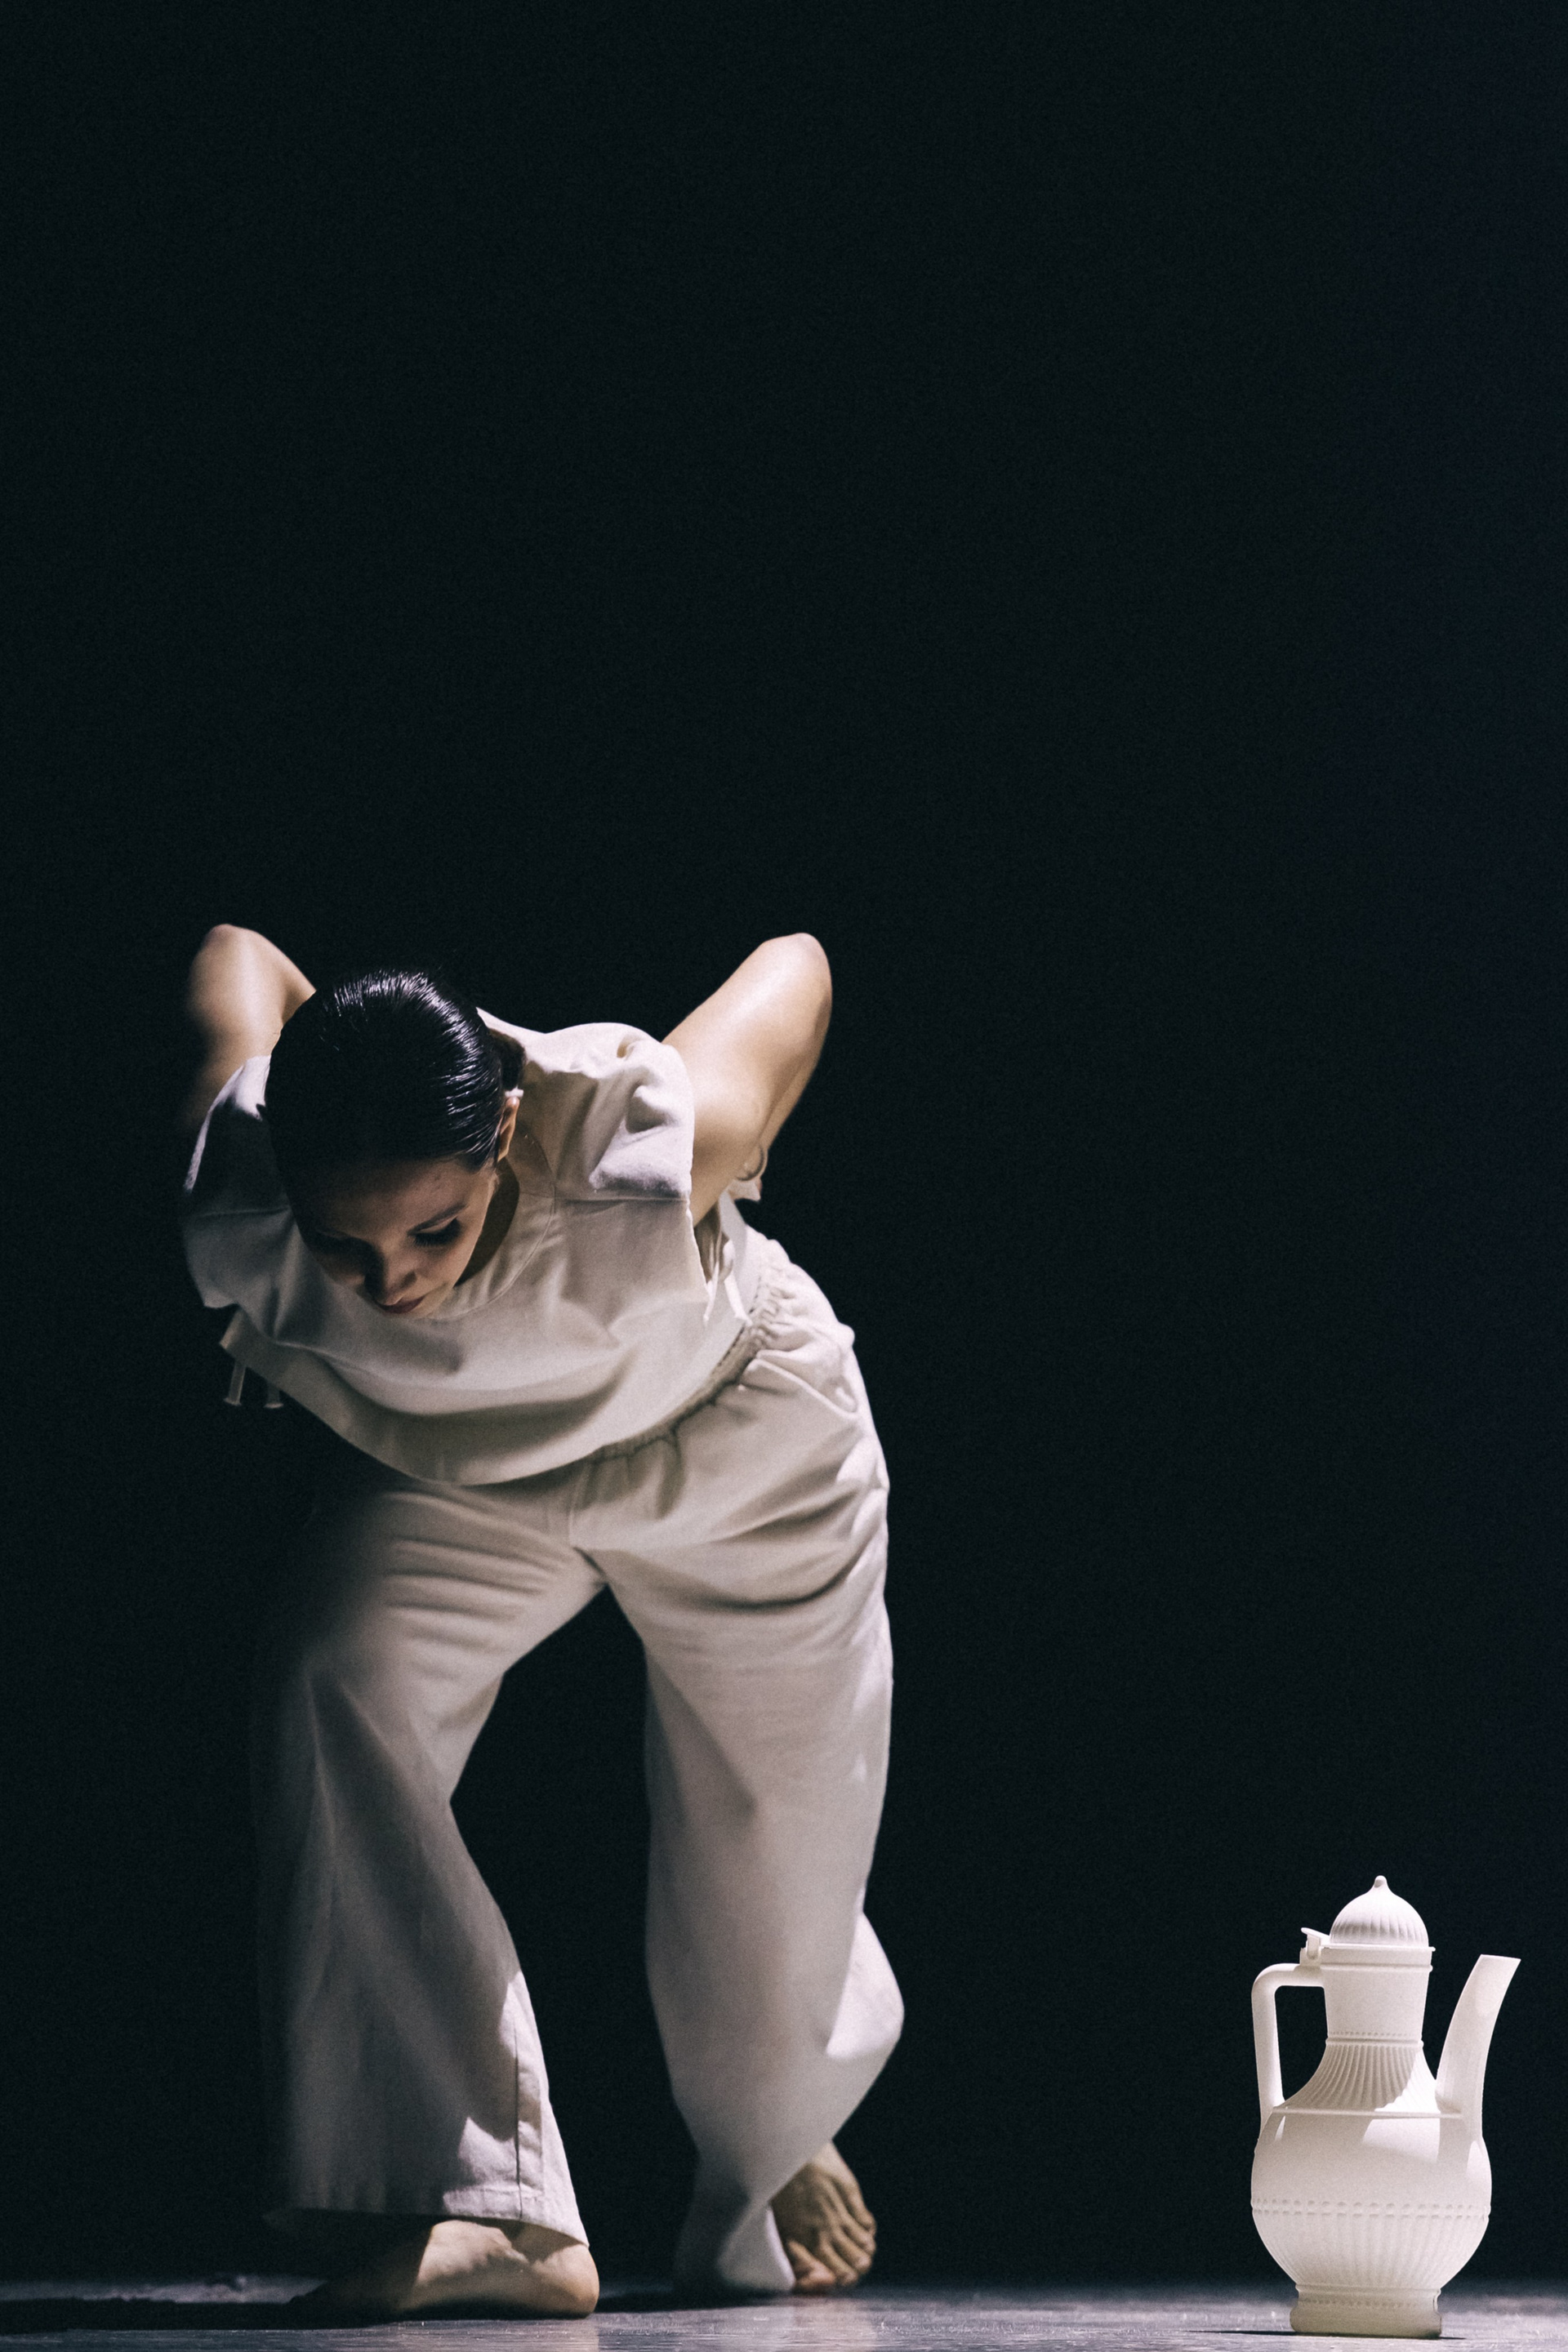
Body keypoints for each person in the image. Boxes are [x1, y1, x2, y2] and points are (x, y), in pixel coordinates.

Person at [179, 924, 902, 2319]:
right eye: (345, 1248)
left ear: (505, 1135)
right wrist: (347, 1047)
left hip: (744, 1451)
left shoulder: (640, 1152)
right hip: (475, 1479)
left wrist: (737, 1149)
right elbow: (234, 949)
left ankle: (771, 2149)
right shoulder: (243, 1187)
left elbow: (804, 962)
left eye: (433, 1231)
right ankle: (488, 2204)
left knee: (777, 1871)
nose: (393, 1283)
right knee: (335, 1676)